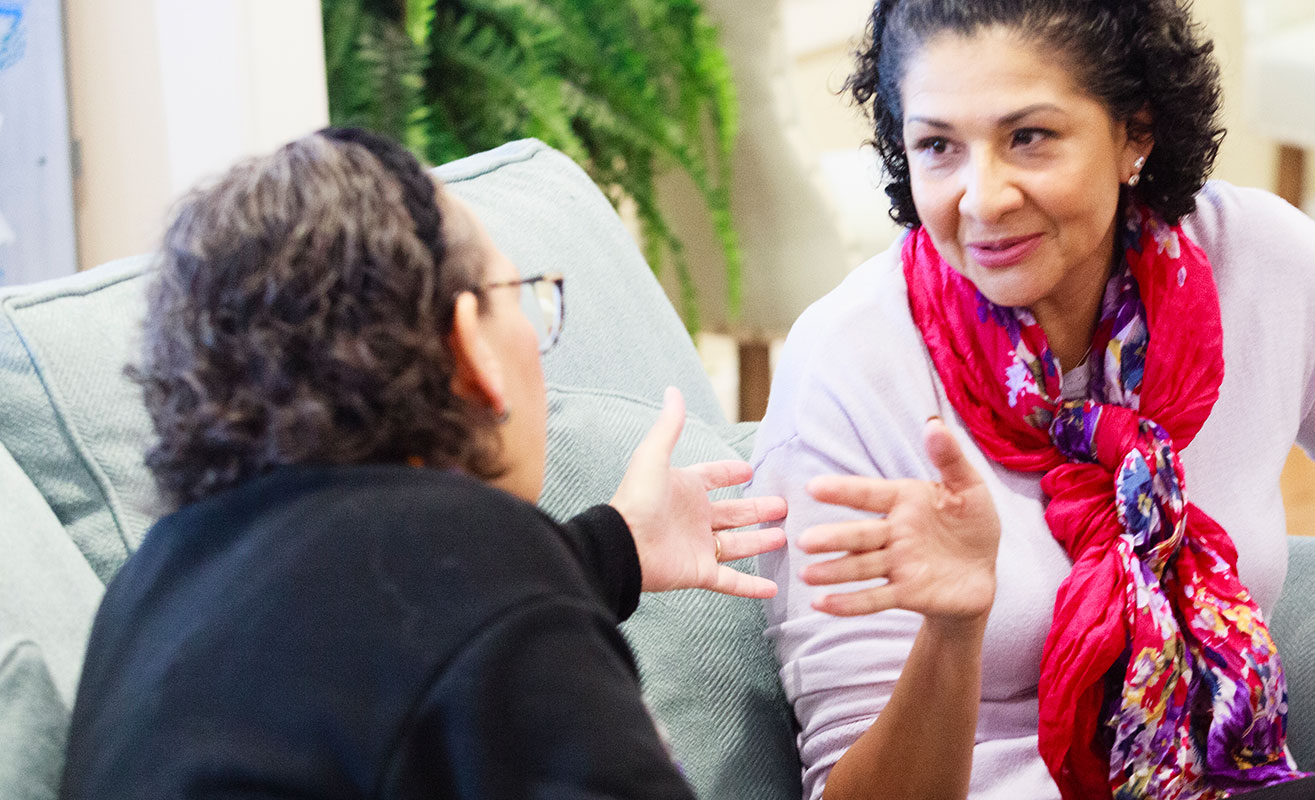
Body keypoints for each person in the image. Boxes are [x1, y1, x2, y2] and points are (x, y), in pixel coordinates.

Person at [748, 1, 1315, 798]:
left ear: (1136, 135)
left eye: (1031, 138)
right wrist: (952, 629)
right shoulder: (849, 366)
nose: (982, 197)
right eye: (938, 146)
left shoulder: (1257, 265)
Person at [60, 128, 786, 799]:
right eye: (521, 298)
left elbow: (375, 628)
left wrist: (615, 545)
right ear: (470, 344)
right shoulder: (480, 565)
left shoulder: (145, 595)